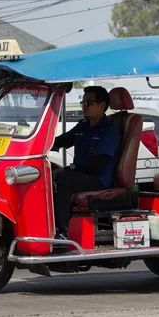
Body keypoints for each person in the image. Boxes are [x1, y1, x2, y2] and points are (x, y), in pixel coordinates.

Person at [51, 86, 121, 240]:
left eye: (89, 102)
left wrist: (69, 169)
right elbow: (60, 141)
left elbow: (98, 165)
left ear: (102, 105)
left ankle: (60, 231)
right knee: (47, 172)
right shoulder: (83, 126)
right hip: (82, 176)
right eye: (83, 102)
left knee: (64, 178)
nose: (84, 106)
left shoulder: (109, 131)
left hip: (98, 180)